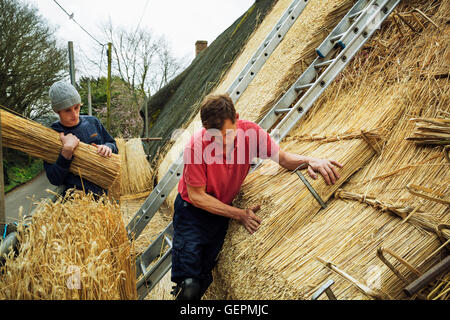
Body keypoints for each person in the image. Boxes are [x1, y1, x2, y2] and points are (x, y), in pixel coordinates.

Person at [171, 94, 344, 300]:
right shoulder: (196, 147)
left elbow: (284, 158)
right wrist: (238, 214)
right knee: (190, 286)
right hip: (192, 213)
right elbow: (197, 197)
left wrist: (311, 160)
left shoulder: (251, 134)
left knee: (203, 278)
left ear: (236, 117)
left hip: (218, 213)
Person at [44, 81, 118, 197]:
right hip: (75, 202)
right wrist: (66, 152)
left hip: (103, 197)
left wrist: (108, 147)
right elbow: (54, 179)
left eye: (77, 107)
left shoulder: (93, 122)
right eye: (68, 110)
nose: (74, 114)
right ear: (57, 111)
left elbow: (113, 144)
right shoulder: (52, 134)